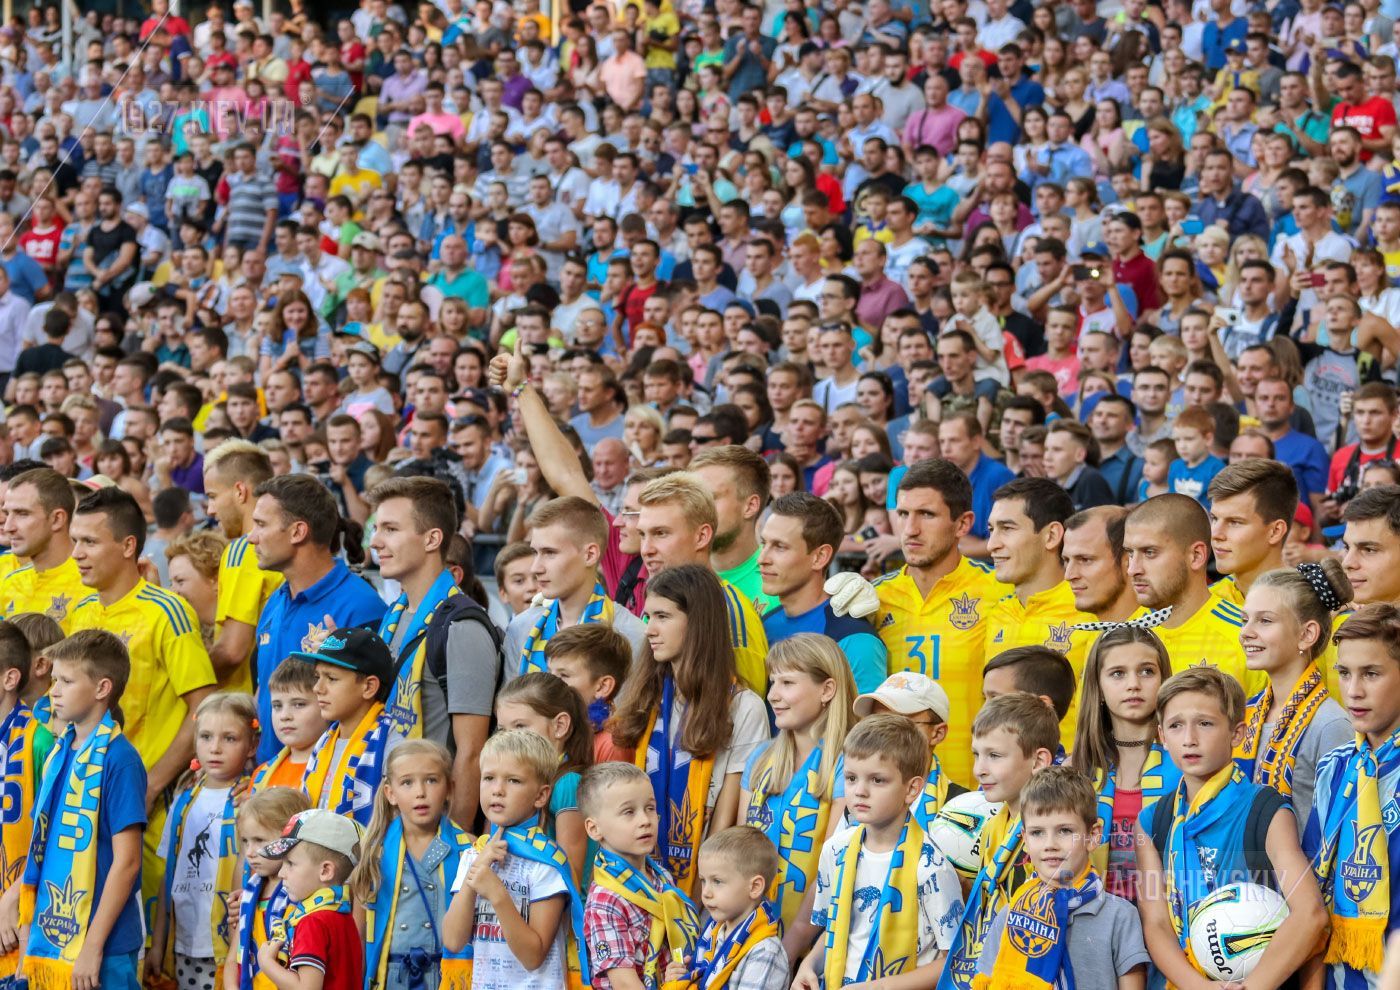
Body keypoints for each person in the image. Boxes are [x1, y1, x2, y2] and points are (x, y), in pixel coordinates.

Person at [67, 486, 217, 915]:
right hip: (86, 803)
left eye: (90, 541)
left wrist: (152, 783)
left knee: (151, 938)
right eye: (76, 540)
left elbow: (203, 708)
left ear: (129, 545)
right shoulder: (80, 611)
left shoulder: (166, 611)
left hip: (149, 808)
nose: (77, 552)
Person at [1134, 667, 1327, 989]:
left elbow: (1310, 914)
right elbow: (1155, 923)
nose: (1190, 739)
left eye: (1205, 724)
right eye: (1176, 726)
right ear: (1162, 737)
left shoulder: (1266, 809)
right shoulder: (1152, 820)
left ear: (1237, 734)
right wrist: (1200, 987)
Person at [606, 565, 770, 897]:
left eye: (663, 617)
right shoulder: (641, 696)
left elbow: (731, 813)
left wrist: (698, 897)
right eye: (647, 616)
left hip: (701, 889)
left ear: (697, 623)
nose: (649, 629)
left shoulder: (743, 707)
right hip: (632, 882)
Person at [795, 714, 964, 990]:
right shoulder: (835, 851)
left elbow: (953, 960)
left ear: (912, 789)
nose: (860, 791)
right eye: (851, 778)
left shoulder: (930, 867)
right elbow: (837, 932)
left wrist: (880, 987)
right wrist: (809, 965)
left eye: (877, 780)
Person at [366, 477, 500, 825]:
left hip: (434, 828)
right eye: (376, 528)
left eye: (391, 529)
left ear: (432, 538)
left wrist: (451, 850)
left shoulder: (462, 626)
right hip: (389, 815)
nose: (376, 541)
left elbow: (472, 754)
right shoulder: (394, 616)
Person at [17, 630, 146, 990]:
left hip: (106, 943)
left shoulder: (120, 759)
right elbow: (41, 847)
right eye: (54, 680)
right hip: (52, 938)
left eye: (66, 681)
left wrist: (92, 946)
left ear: (102, 688)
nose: (53, 690)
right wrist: (29, 936)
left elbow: (128, 862)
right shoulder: (60, 752)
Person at [870, 460, 1010, 786]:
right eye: (903, 514)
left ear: (963, 524)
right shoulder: (874, 599)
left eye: (927, 515)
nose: (910, 530)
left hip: (975, 788)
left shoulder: (999, 592)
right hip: (894, 788)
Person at [249, 474, 386, 765]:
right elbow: (264, 692)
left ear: (298, 531)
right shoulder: (275, 600)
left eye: (261, 524)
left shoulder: (361, 607)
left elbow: (373, 713)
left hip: (325, 789)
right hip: (268, 780)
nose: (251, 537)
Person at [973, 765, 1150, 988]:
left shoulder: (1120, 916)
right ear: (1025, 840)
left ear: (1093, 836)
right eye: (1037, 833)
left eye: (1065, 831)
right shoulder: (1010, 916)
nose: (1050, 845)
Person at [441, 729, 589, 990]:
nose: (497, 790)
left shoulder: (547, 863)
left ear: (541, 796)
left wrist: (497, 895)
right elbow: (453, 940)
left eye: (514, 781)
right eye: (488, 778)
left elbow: (533, 956)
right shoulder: (474, 854)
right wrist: (477, 870)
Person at [1306, 602, 1400, 990]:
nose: (1354, 690)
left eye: (1372, 674)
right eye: (1344, 673)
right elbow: (1312, 894)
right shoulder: (1334, 766)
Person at [938, 693, 1061, 990]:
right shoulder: (995, 825)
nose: (979, 769)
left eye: (994, 756)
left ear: (1039, 760)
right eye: (976, 755)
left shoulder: (1057, 828)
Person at [739, 634, 856, 941]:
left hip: (814, 943)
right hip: (749, 938)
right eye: (772, 682)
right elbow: (737, 855)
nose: (772, 695)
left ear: (827, 689)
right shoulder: (759, 759)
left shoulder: (849, 765)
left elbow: (830, 872)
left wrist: (789, 949)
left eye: (787, 683)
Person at [147, 693, 260, 990]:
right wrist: (158, 943)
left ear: (252, 745)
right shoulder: (183, 799)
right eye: (206, 737)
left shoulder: (250, 799)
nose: (215, 748)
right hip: (183, 940)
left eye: (230, 738)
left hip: (227, 944)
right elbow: (167, 878)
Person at [1237, 563, 1354, 834]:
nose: (1246, 632)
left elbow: (1337, 830)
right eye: (1245, 620)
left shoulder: (1330, 724)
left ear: (1306, 634)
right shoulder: (1247, 712)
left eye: (1265, 621)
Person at [1069, 626, 1179, 902]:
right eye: (1118, 673)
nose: (1134, 684)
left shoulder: (1187, 763)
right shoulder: (1075, 769)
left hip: (1171, 923)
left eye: (1147, 671)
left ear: (1164, 680)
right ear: (1100, 688)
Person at [350, 739, 471, 990]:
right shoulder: (375, 850)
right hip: (389, 978)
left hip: (447, 977)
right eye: (407, 782)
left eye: (431, 780)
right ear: (390, 793)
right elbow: (358, 934)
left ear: (449, 788)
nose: (420, 792)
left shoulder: (467, 848)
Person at [635, 474, 770, 696]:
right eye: (642, 535)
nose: (646, 549)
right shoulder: (657, 600)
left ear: (702, 536)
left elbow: (745, 718)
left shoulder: (731, 616)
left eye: (660, 533)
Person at [983, 478, 1095, 745]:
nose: (991, 545)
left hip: (1069, 782)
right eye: (990, 530)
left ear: (1052, 536)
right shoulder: (998, 614)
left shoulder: (1090, 612)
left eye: (1007, 528)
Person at [1122, 494, 1262, 694]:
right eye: (1130, 553)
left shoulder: (1246, 638)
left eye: (1149, 552)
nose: (1133, 569)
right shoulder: (1122, 637)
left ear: (1196, 556)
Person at [580, 762, 699, 990]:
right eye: (628, 812)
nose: (645, 820)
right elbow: (624, 983)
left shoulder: (661, 876)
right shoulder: (606, 900)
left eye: (650, 808)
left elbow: (673, 942)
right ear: (594, 829)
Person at [757, 492, 888, 693]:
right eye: (764, 543)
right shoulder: (765, 624)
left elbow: (867, 724)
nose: (762, 558)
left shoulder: (856, 639)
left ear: (820, 557)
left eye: (780, 547)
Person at [505, 496, 647, 677]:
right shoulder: (520, 628)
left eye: (550, 553)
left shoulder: (632, 635)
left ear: (590, 555)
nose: (536, 568)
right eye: (535, 552)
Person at [293, 626, 400, 826]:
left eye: (331, 679)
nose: (317, 688)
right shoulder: (325, 741)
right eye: (318, 677)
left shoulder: (392, 746)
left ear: (368, 687)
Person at [494, 672, 594, 883]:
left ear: (559, 726)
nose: (509, 738)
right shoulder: (503, 780)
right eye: (502, 730)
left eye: (520, 727)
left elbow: (570, 875)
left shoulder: (568, 784)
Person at [254, 810, 366, 990]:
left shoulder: (312, 922)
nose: (281, 873)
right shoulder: (342, 916)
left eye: (290, 863)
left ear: (325, 871)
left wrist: (266, 963)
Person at [204, 440, 283, 691]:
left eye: (213, 497)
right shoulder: (280, 545)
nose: (210, 510)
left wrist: (182, 676)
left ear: (240, 491)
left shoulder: (244, 550)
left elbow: (232, 651)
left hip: (245, 706)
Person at [679, 827, 789, 990]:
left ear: (754, 887)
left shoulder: (765, 952)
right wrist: (680, 980)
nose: (706, 893)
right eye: (703, 880)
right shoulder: (713, 933)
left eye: (717, 881)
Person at [0, 467, 88, 631]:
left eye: (22, 513)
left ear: (57, 519)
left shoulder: (92, 583)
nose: (8, 527)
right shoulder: (11, 582)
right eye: (7, 513)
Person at [1207, 458, 1299, 607]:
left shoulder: (1316, 609)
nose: (1216, 534)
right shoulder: (1206, 601)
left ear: (1275, 531)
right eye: (1214, 518)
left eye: (1235, 522)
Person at [544, 624, 632, 763]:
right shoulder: (552, 726)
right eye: (549, 672)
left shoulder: (611, 745)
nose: (549, 683)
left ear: (602, 687)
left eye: (564, 675)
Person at [252, 658, 328, 793]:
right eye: (277, 706)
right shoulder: (260, 775)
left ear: (326, 703)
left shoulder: (337, 769)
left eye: (299, 704)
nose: (284, 716)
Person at [1166, 405, 1224, 507]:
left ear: (1208, 439)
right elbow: (1170, 500)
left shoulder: (1217, 469)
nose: (1182, 446)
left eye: (1189, 439)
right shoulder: (1175, 466)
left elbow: (1218, 506)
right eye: (1177, 440)